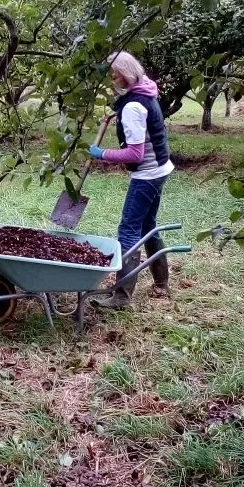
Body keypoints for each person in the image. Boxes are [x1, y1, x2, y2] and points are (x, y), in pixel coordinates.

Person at [88, 51, 174, 309]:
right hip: (160, 167)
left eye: (114, 74)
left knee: (128, 230)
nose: (112, 79)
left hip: (147, 173)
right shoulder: (145, 91)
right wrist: (117, 113)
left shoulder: (134, 107)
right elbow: (140, 114)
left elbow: (134, 152)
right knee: (148, 226)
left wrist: (101, 153)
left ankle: (122, 297)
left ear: (126, 74)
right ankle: (161, 283)